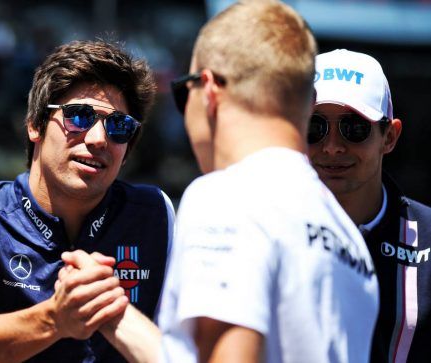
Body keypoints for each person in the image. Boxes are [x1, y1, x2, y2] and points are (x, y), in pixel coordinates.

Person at [63, 1, 379, 362]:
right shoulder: (348, 237)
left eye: (183, 92)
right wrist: (111, 310)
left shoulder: (228, 196)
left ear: (209, 91)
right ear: (308, 104)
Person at [0, 40, 175, 362]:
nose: (99, 138)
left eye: (119, 126)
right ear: (35, 125)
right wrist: (57, 318)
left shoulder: (154, 212)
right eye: (80, 116)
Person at [309, 48, 431, 363]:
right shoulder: (268, 225)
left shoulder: (429, 238)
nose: (333, 147)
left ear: (389, 136)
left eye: (354, 128)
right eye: (316, 127)